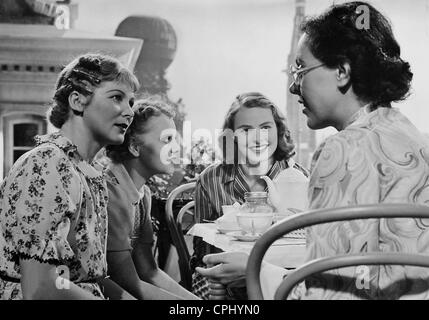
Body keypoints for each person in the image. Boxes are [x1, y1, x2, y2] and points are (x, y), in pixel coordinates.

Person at [197, 1, 429, 300]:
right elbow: (362, 275)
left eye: (300, 70)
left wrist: (255, 272)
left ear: (342, 71)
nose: (294, 87)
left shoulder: (342, 150)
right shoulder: (415, 139)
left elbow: (330, 295)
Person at [0, 53, 139, 299]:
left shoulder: (88, 174)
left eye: (131, 102)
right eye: (117, 97)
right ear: (77, 101)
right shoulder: (47, 163)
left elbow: (88, 278)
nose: (130, 113)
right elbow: (41, 288)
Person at [191, 92, 308, 299]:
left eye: (265, 127)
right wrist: (214, 284)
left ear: (278, 131)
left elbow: (308, 251)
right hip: (224, 288)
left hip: (282, 286)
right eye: (246, 129)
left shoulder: (299, 178)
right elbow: (203, 255)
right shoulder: (211, 180)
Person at [100, 96, 199, 300]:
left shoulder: (143, 193)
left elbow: (149, 271)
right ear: (135, 147)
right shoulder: (111, 192)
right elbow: (128, 283)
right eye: (167, 140)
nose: (176, 148)